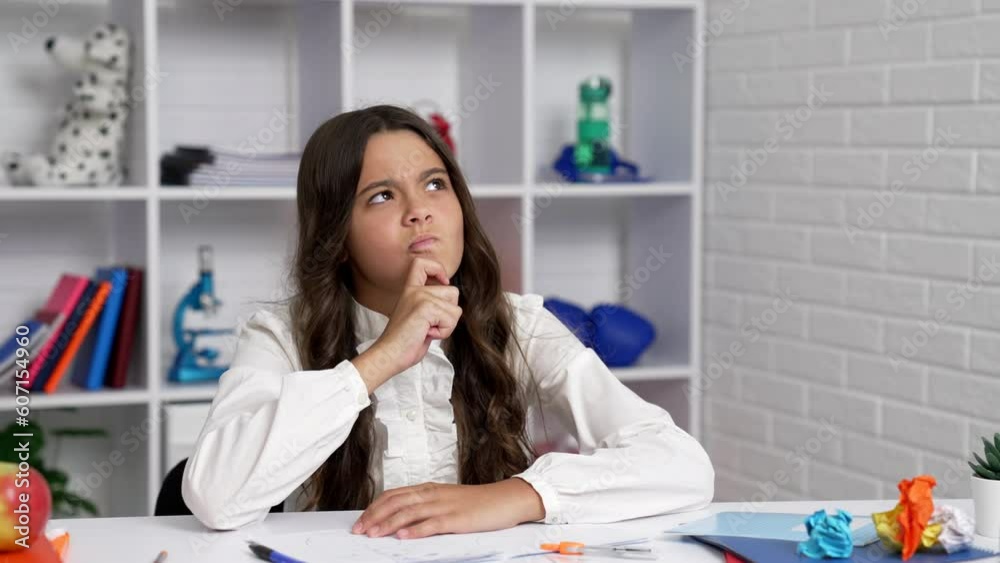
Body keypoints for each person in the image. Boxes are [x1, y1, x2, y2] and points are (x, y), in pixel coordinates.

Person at [181, 104, 714, 537]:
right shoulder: (280, 335)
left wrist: (515, 497)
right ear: (336, 237)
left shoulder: (517, 323)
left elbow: (681, 465)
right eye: (382, 196)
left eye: (435, 184)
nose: (420, 210)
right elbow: (215, 495)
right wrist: (382, 358)